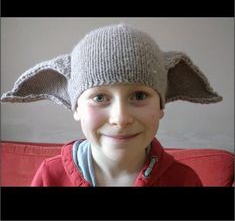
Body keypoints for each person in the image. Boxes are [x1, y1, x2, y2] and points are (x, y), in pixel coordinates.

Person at [1, 24, 222, 186]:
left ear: (161, 106)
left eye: (138, 96)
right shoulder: (50, 177)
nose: (120, 118)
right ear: (76, 108)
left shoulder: (183, 181)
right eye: (99, 98)